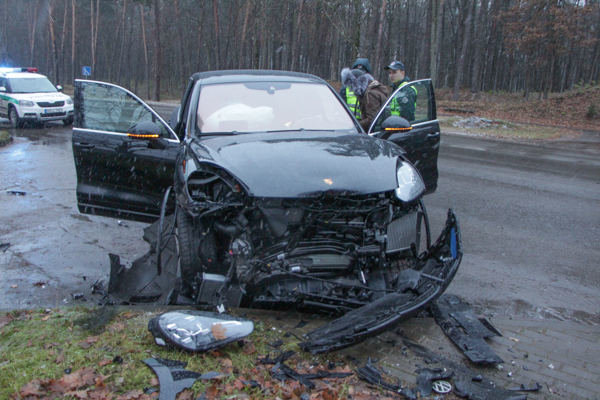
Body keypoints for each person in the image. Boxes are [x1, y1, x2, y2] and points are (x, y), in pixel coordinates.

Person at [341, 67, 389, 131]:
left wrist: (355, 126)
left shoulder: (370, 94)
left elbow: (372, 119)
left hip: (374, 131)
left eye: (352, 86)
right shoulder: (369, 90)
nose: (351, 89)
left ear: (357, 83)